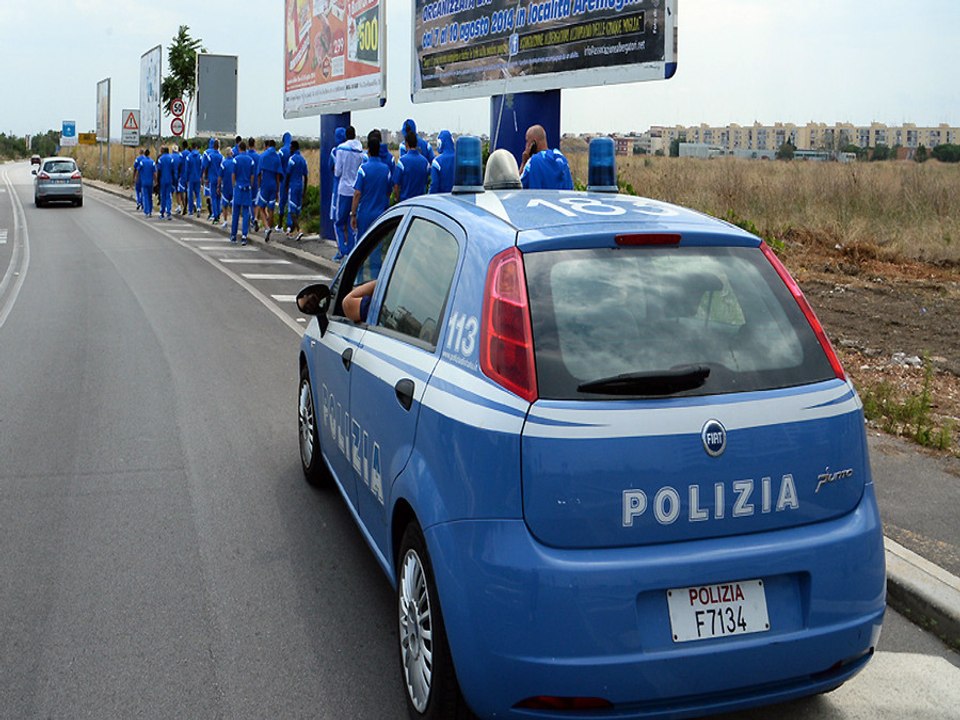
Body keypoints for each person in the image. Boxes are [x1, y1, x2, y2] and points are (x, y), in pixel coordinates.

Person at [351, 130, 393, 279]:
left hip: (364, 214)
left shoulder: (363, 169)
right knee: (376, 248)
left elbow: (357, 193)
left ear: (368, 150)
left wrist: (353, 214)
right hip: (380, 214)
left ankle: (358, 280)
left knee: (360, 249)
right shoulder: (386, 170)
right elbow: (389, 191)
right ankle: (374, 282)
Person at [333, 125, 364, 261]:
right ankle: (351, 251)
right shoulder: (360, 150)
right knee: (352, 223)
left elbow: (337, 171)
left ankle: (342, 251)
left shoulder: (341, 149)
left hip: (344, 189)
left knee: (339, 223)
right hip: (356, 190)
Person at [519, 124, 573, 190]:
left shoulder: (533, 161)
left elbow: (518, 187)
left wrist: (524, 162)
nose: (526, 145)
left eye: (527, 141)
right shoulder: (561, 158)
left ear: (533, 143)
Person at [256, 138, 283, 241]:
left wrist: (259, 185)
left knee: (261, 207)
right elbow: (278, 175)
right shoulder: (277, 157)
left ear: (267, 146)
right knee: (271, 208)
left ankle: (267, 227)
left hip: (265, 183)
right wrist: (278, 190)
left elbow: (259, 173)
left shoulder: (263, 156)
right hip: (273, 184)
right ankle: (269, 225)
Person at [393, 130, 429, 202]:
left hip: (405, 201)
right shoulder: (425, 162)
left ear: (406, 144)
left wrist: (397, 199)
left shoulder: (402, 162)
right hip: (421, 202)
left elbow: (396, 184)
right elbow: (427, 181)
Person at [231, 141, 255, 245]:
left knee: (236, 212)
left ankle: (233, 235)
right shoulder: (251, 160)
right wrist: (251, 184)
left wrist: (234, 185)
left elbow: (233, 174)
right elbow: (252, 175)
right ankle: (244, 235)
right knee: (246, 212)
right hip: (247, 187)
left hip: (238, 187)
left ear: (239, 148)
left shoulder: (236, 160)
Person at [285, 140, 308, 241]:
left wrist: (285, 186)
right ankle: (290, 231)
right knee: (297, 210)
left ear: (294, 148)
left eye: (291, 147)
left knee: (292, 210)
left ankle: (299, 230)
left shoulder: (292, 160)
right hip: (300, 186)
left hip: (293, 186)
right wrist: (305, 190)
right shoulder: (303, 160)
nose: (290, 149)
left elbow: (288, 174)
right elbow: (306, 176)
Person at [275, 131, 293, 231]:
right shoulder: (293, 150)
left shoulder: (281, 151)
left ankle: (280, 225)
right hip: (292, 180)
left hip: (283, 178)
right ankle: (290, 225)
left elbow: (278, 165)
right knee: (291, 202)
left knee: (282, 201)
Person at [429, 130, 456, 194]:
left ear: (440, 143)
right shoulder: (460, 159)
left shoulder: (437, 162)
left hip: (442, 199)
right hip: (460, 199)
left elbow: (434, 184)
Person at [156, 146, 176, 220]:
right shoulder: (171, 159)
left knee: (163, 196)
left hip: (162, 180)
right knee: (168, 196)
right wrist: (174, 180)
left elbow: (159, 171)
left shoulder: (160, 159)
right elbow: (173, 170)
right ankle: (169, 212)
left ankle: (162, 212)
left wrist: (158, 181)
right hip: (169, 179)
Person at [246, 138, 260, 230]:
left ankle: (251, 218)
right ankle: (255, 218)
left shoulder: (246, 155)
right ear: (254, 144)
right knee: (255, 202)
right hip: (255, 181)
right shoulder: (258, 156)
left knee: (247, 202)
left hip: (246, 181)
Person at [219, 147, 235, 230]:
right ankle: (233, 221)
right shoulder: (235, 162)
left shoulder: (223, 163)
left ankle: (225, 221)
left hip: (225, 187)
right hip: (233, 187)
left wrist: (218, 186)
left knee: (224, 205)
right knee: (233, 205)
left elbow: (220, 176)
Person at [137, 148, 156, 217]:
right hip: (150, 182)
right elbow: (154, 173)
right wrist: (156, 181)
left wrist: (137, 178)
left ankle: (146, 211)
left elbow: (138, 170)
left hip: (144, 181)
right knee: (150, 196)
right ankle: (150, 211)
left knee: (145, 196)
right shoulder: (152, 162)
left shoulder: (142, 162)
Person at [187, 142, 203, 215]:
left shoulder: (189, 157)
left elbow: (187, 169)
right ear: (196, 147)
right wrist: (201, 176)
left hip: (191, 178)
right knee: (198, 193)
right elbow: (202, 167)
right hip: (198, 177)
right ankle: (199, 207)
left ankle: (190, 211)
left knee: (190, 195)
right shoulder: (200, 156)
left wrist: (186, 178)